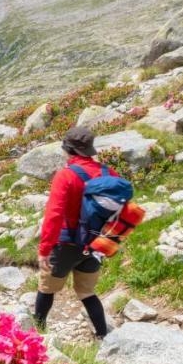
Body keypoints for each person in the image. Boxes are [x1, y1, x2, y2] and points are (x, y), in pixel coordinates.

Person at [35, 126, 113, 339]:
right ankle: (103, 336)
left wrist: (44, 249)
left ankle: (38, 333)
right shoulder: (108, 173)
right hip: (97, 244)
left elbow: (54, 215)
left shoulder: (66, 176)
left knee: (46, 288)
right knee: (87, 292)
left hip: (67, 244)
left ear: (68, 150)